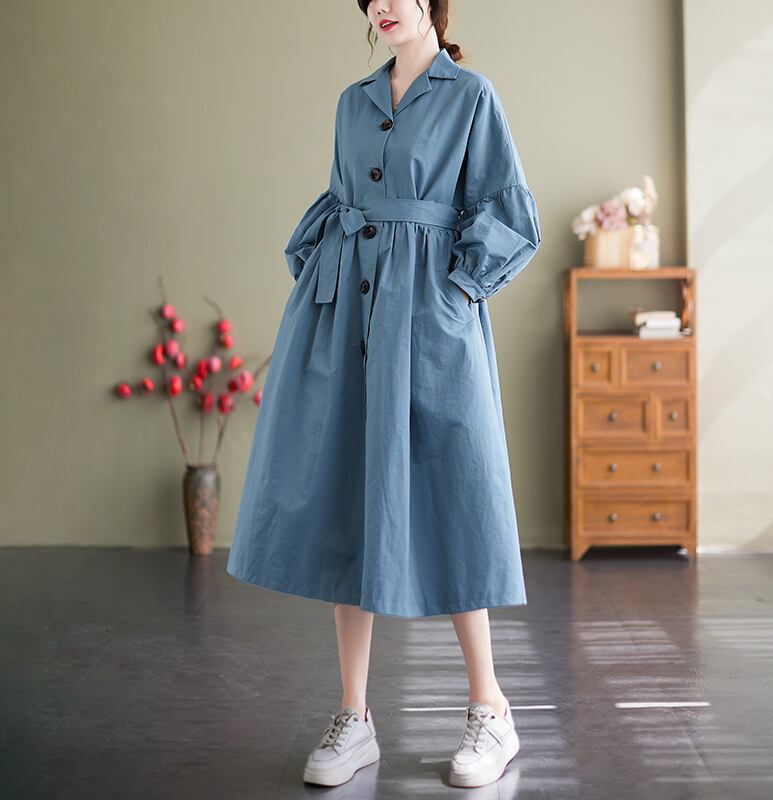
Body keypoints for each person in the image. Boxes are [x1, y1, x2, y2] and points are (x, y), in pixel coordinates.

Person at [226, 0, 542, 789]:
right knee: (350, 502)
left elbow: (506, 209)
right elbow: (340, 204)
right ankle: (355, 717)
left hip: (431, 319)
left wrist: (455, 291)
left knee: (456, 496)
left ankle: (491, 710)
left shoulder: (471, 96)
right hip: (349, 316)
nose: (383, 5)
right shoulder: (352, 102)